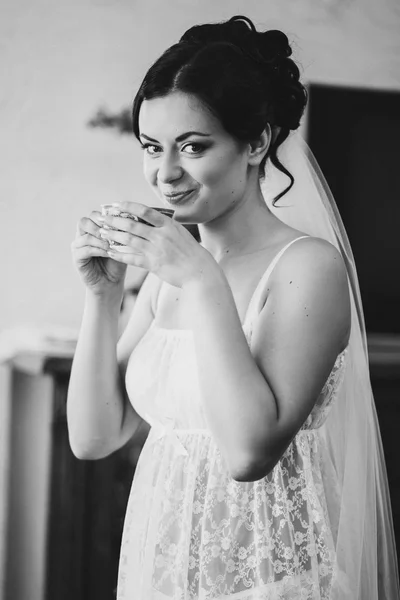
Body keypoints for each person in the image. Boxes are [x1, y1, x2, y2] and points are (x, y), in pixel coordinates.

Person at [68, 15, 400, 600]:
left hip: (275, 585)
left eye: (193, 147)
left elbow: (248, 452)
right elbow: (95, 438)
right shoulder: (171, 274)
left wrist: (202, 283)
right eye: (152, 148)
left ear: (256, 143)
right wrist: (103, 296)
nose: (164, 175)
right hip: (158, 580)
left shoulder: (306, 268)